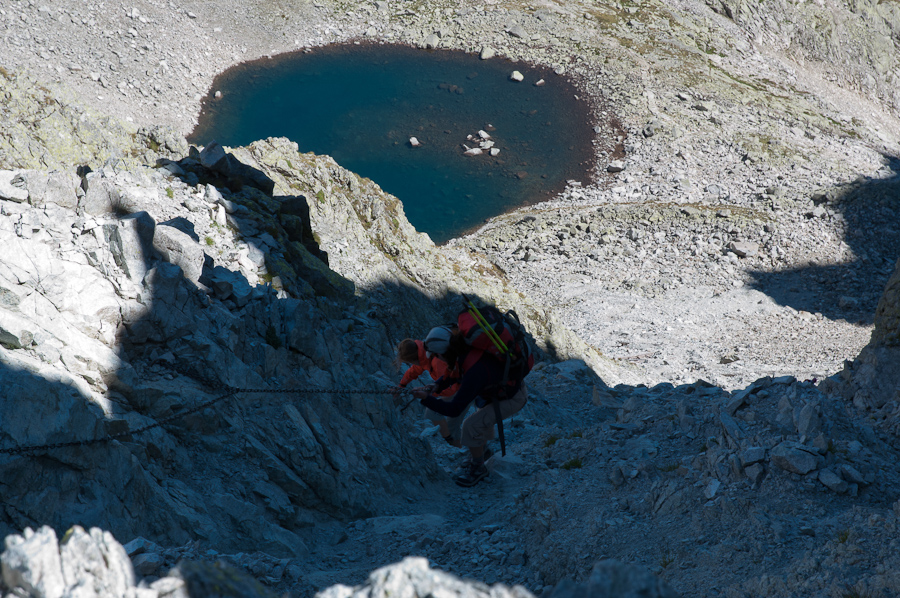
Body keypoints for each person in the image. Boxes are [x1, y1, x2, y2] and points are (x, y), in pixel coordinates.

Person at [412, 325, 528, 487]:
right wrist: (436, 386)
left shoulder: (474, 371)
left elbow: (454, 409)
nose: (437, 358)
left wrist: (426, 398)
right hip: (505, 391)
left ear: (444, 352)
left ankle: (478, 467)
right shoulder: (464, 349)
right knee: (480, 418)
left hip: (512, 398)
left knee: (470, 425)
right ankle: (483, 450)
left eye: (437, 355)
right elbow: (454, 373)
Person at [394, 335, 464, 446]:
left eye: (412, 362)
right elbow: (413, 371)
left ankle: (469, 449)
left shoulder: (437, 362)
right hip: (458, 386)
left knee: (447, 420)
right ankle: (456, 443)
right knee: (434, 415)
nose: (413, 365)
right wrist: (401, 385)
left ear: (414, 358)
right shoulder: (424, 354)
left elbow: (449, 387)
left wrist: (428, 392)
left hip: (463, 388)